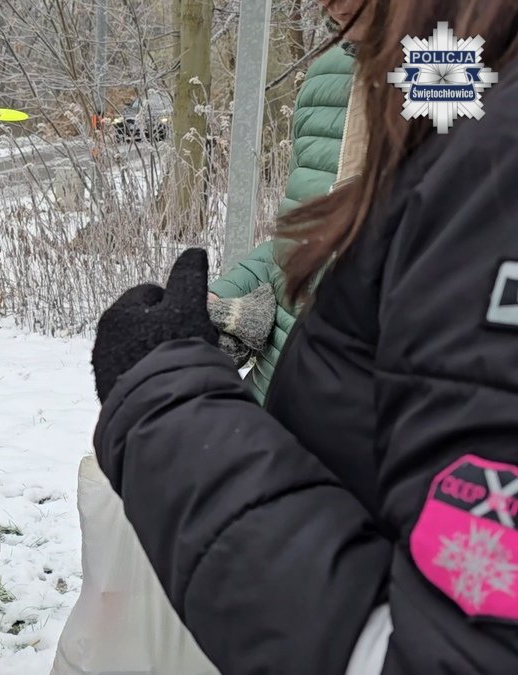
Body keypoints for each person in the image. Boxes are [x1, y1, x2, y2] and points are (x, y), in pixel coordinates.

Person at [90, 0, 518, 672]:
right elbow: (334, 229)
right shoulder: (360, 68)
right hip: (305, 433)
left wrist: (167, 403)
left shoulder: (450, 77)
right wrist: (236, 299)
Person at [207, 0, 367, 401]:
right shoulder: (325, 75)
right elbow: (300, 243)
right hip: (274, 402)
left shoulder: (465, 86)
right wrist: (222, 304)